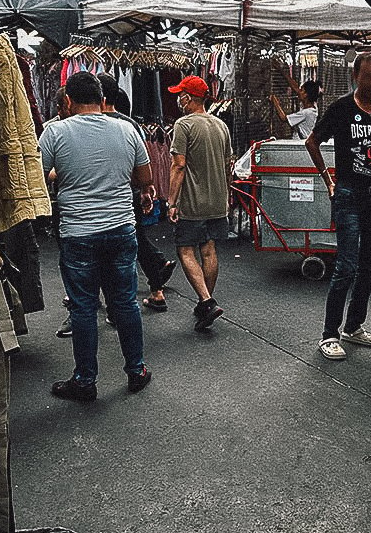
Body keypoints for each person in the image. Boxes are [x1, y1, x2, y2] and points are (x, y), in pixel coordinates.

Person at [38, 72, 153, 401]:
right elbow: (143, 177)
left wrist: (64, 171)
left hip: (78, 231)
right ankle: (136, 370)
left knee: (84, 308)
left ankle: (85, 380)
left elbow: (38, 175)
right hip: (120, 228)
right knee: (125, 302)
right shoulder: (126, 129)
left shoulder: (55, 132)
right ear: (102, 99)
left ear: (69, 102)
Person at [305, 51, 371, 361]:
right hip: (348, 194)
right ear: (355, 76)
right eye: (367, 75)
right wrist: (328, 180)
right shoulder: (342, 108)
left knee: (368, 265)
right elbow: (312, 142)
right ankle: (329, 334)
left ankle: (354, 326)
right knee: (346, 265)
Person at [99, 74, 177, 312]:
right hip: (129, 192)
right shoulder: (130, 125)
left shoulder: (90, 124)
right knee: (136, 239)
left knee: (115, 248)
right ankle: (156, 289)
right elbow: (143, 162)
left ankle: (114, 303)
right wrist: (145, 190)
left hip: (106, 197)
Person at [166, 75, 233, 331]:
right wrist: (226, 195)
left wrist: (171, 202)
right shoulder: (221, 125)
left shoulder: (184, 125)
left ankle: (206, 300)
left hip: (193, 202)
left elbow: (178, 165)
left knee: (185, 249)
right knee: (209, 249)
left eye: (180, 94)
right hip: (217, 200)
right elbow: (228, 165)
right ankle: (205, 302)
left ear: (189, 97)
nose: (178, 99)